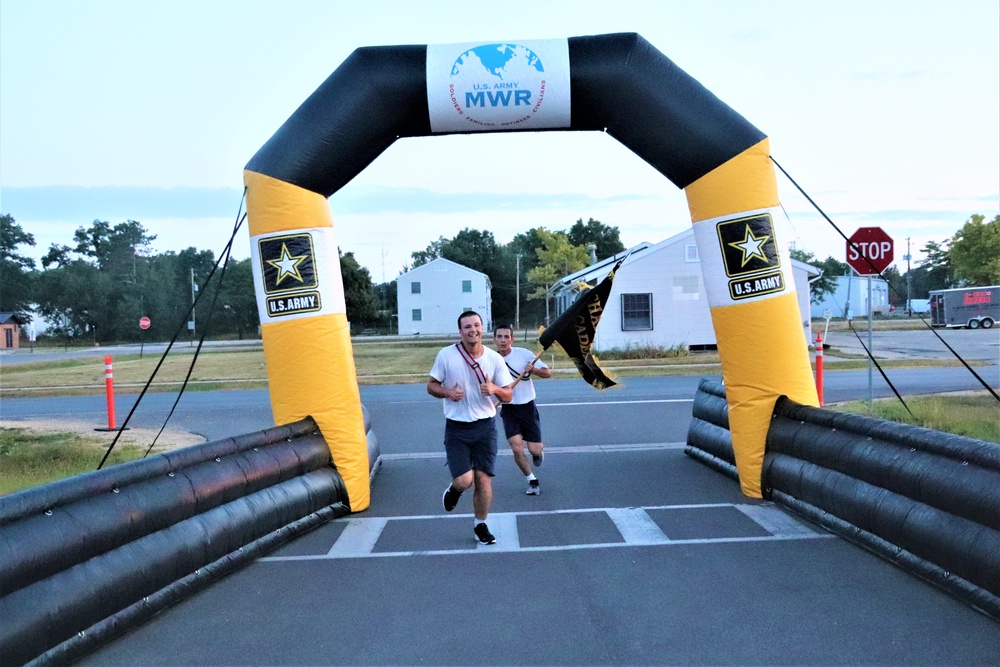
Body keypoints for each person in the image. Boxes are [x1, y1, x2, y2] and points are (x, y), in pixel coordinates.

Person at [428, 311, 513, 545]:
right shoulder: (447, 355)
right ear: (460, 331)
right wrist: (448, 392)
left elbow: (508, 394)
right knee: (465, 480)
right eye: (467, 327)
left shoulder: (494, 358)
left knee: (483, 480)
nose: (472, 330)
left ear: (482, 327)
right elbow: (431, 386)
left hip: (485, 427)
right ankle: (454, 491)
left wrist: (495, 389)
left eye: (476, 325)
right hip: (457, 428)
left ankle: (481, 525)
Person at [493, 324, 551, 496]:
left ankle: (538, 452)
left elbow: (547, 372)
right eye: (499, 337)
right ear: (494, 339)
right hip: (509, 409)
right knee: (517, 448)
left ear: (512, 339)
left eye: (506, 337)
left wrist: (533, 369)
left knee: (534, 449)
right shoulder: (491, 359)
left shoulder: (524, 354)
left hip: (527, 407)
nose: (503, 340)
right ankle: (532, 481)